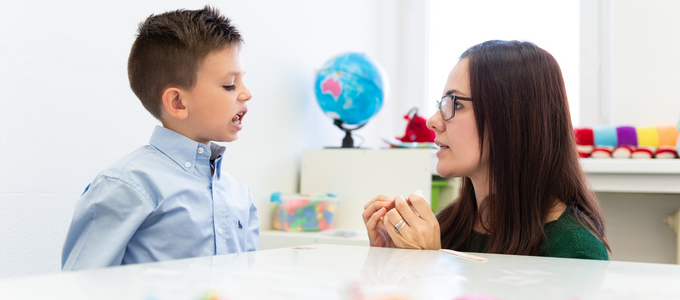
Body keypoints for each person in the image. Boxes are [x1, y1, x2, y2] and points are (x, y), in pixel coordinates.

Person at [363, 40, 610, 260]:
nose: (432, 121)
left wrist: (428, 267)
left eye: (456, 104)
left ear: (512, 119)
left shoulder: (577, 252)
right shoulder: (445, 225)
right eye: (442, 104)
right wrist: (386, 261)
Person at [62, 6, 259, 271]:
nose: (246, 93)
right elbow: (80, 287)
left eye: (242, 81)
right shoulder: (127, 186)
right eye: (229, 85)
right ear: (177, 102)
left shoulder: (240, 195)